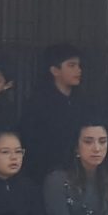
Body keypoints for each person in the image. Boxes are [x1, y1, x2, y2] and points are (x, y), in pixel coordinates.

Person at [20, 43, 89, 179]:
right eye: (71, 65)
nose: (78, 70)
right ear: (55, 70)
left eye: (79, 65)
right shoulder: (38, 102)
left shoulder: (83, 100)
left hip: (78, 170)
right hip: (46, 172)